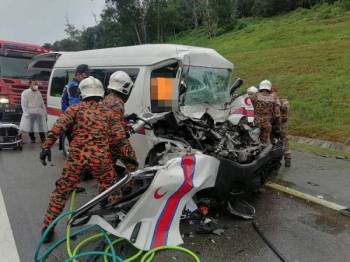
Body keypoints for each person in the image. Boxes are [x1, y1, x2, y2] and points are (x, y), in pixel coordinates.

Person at [39, 76, 137, 243]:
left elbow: (58, 128)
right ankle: (114, 223)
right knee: (112, 189)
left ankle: (47, 229)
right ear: (101, 93)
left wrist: (46, 147)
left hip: (76, 158)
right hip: (101, 159)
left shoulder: (74, 109)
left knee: (61, 192)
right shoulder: (110, 114)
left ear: (82, 93)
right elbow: (120, 140)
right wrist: (131, 162)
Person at [251, 80, 281, 144]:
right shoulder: (274, 97)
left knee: (253, 140)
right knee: (264, 142)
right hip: (267, 123)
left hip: (256, 122)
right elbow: (277, 114)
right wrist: (277, 125)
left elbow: (251, 106)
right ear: (269, 87)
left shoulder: (255, 96)